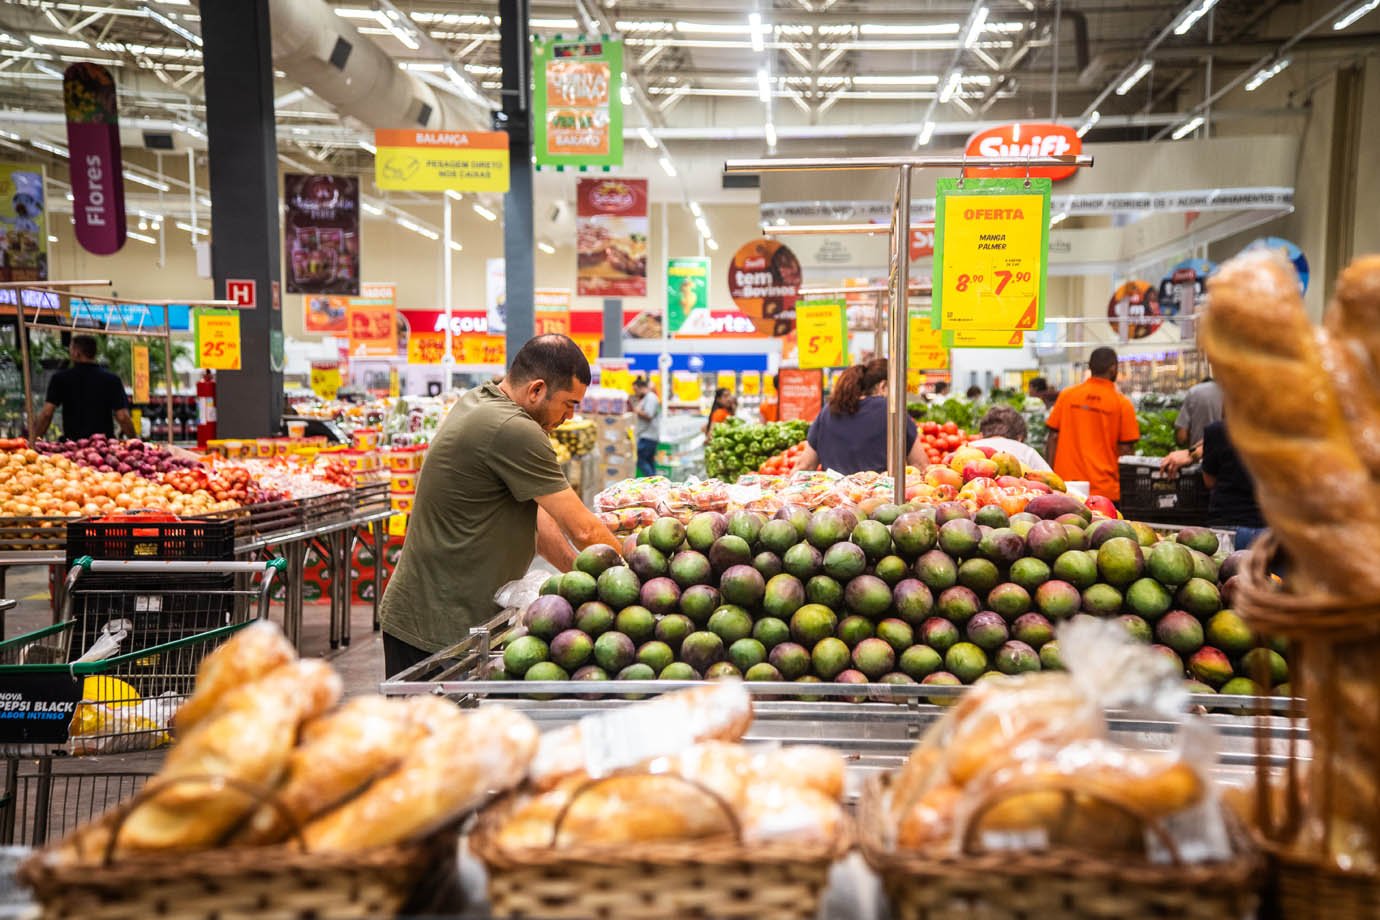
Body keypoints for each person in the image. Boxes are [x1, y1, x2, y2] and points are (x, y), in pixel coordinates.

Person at [378, 335, 622, 676]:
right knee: (434, 729)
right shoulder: (514, 429)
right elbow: (583, 528)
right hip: (436, 627)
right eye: (569, 404)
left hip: (444, 617)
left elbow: (538, 518)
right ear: (536, 390)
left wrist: (577, 574)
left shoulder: (480, 400)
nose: (569, 416)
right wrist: (633, 580)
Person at [792, 359, 925, 475]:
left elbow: (805, 466)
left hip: (835, 500)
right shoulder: (891, 410)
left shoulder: (829, 410)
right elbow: (920, 465)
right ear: (883, 386)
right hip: (879, 499)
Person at [1045, 347, 1139, 504]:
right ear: (1113, 368)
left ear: (1090, 366)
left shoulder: (1067, 396)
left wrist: (1050, 474)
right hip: (1104, 491)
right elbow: (1126, 450)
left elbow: (1053, 437)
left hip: (1066, 486)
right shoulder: (1122, 404)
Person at [1160, 419, 1265, 549]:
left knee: (1228, 567)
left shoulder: (1217, 430)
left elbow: (1209, 481)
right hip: (1272, 527)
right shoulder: (1286, 432)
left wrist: (1192, 453)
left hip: (1228, 526)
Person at [30, 335, 134, 441]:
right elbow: (122, 417)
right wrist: (135, 440)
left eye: (70, 350)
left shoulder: (60, 379)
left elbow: (47, 414)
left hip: (73, 447)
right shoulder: (112, 380)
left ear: (76, 353)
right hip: (104, 449)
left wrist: (33, 441)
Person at [969, 405, 1052, 473]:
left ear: (980, 435)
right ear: (1020, 437)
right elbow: (1053, 484)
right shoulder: (1026, 452)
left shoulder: (969, 448)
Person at [1175, 377, 1223, 448]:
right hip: (1226, 453)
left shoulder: (1193, 391)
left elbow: (1182, 436)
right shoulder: (1228, 391)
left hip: (1197, 452)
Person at [631, 375, 660, 478]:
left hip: (648, 436)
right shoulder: (646, 398)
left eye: (636, 390)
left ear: (640, 387)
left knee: (641, 460)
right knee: (649, 461)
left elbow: (649, 415)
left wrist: (637, 411)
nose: (635, 392)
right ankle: (655, 482)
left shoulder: (651, 397)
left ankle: (652, 481)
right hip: (646, 435)